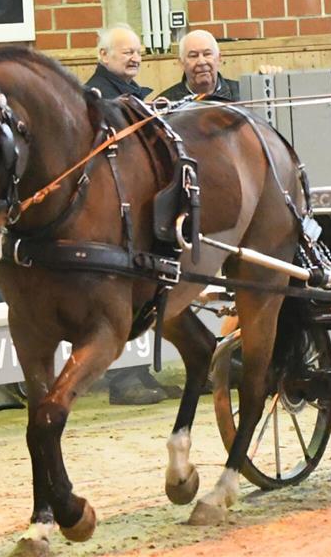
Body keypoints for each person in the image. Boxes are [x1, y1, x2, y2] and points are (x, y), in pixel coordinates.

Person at [84, 24, 180, 405]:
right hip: (115, 209)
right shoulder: (96, 96)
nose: (135, 57)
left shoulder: (132, 95)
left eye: (137, 51)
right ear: (103, 56)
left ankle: (137, 375)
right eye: (126, 52)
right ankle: (124, 379)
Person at [157, 29, 241, 100]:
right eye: (193, 55)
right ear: (181, 63)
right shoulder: (164, 103)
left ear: (218, 59)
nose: (201, 62)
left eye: (207, 54)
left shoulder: (243, 94)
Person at [86, 23, 153, 100]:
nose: (136, 59)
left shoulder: (131, 91)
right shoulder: (97, 98)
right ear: (104, 55)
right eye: (128, 52)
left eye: (139, 53)